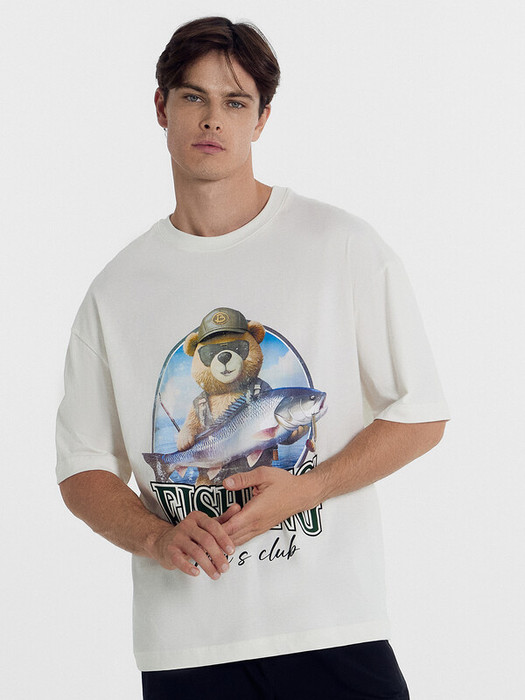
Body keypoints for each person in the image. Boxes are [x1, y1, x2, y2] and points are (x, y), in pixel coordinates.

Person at [56, 16, 449, 700]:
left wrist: (309, 488)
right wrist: (154, 539)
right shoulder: (115, 290)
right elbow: (82, 466)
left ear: (262, 118)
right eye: (193, 96)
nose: (213, 119)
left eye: (235, 102)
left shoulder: (341, 246)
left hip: (331, 627)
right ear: (161, 107)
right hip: (186, 647)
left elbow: (421, 414)